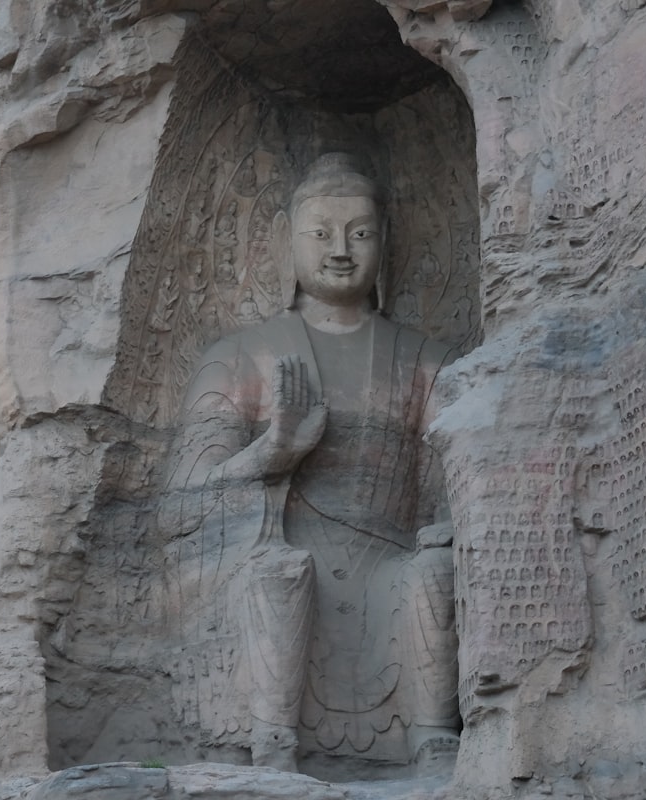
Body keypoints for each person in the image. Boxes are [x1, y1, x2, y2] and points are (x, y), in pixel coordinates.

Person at [161, 153, 460, 772]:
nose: (341, 249)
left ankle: (433, 736)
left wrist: (444, 526)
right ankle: (273, 743)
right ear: (282, 244)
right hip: (283, 547)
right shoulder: (243, 354)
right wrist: (270, 455)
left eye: (361, 232)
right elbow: (183, 499)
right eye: (320, 232)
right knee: (281, 573)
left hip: (391, 557)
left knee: (431, 575)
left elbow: (450, 481)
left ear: (387, 242)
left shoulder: (425, 360)